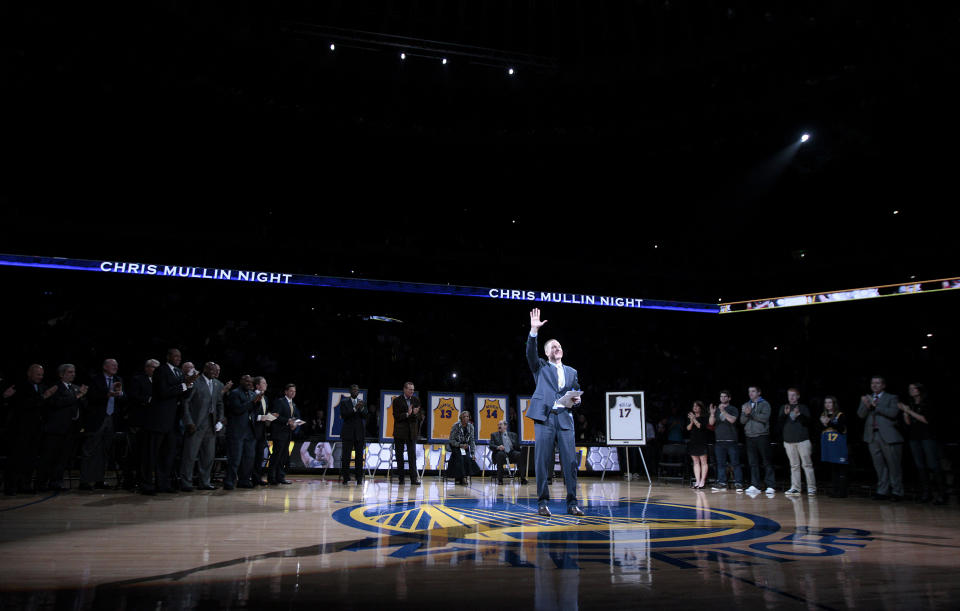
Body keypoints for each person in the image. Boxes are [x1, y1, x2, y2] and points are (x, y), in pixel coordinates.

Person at [526, 308, 584, 517]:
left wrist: (577, 400)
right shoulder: (540, 366)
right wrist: (534, 331)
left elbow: (576, 395)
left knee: (570, 462)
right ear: (546, 352)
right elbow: (530, 353)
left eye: (558, 345)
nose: (556, 347)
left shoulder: (572, 372)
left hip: (565, 419)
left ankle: (572, 504)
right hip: (545, 418)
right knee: (543, 461)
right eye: (552, 346)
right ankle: (542, 502)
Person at [142, 349, 195, 494]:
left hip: (172, 420)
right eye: (175, 356)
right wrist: (183, 386)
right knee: (152, 454)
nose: (178, 358)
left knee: (168, 454)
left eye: (180, 356)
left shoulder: (178, 372)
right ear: (168, 357)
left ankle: (163, 484)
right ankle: (147, 484)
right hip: (158, 419)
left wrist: (189, 385)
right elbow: (163, 392)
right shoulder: (161, 370)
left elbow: (183, 395)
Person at [39, 364, 87, 491]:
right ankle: (41, 483)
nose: (73, 374)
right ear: (61, 374)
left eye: (74, 372)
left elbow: (83, 405)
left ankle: (56, 482)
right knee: (49, 457)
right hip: (56, 429)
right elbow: (57, 403)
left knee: (63, 458)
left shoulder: (76, 388)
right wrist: (77, 396)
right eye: (70, 372)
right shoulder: (55, 387)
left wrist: (82, 397)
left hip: (71, 429)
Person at [79, 358, 124, 490]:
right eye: (112, 365)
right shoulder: (94, 379)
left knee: (105, 451)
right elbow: (90, 397)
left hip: (112, 419)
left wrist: (120, 394)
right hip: (97, 418)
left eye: (117, 365)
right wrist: (107, 394)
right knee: (90, 450)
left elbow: (124, 398)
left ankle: (100, 479)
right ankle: (85, 481)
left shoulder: (119, 379)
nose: (115, 367)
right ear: (105, 367)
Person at [179, 362, 224, 491]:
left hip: (211, 425)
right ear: (205, 369)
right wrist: (188, 421)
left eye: (216, 371)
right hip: (196, 424)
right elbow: (185, 403)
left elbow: (220, 404)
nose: (214, 373)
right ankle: (186, 483)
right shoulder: (195, 381)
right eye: (212, 370)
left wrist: (220, 420)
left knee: (208, 456)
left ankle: (204, 482)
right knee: (190, 455)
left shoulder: (218, 384)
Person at [3, 364, 48, 495]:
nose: (40, 377)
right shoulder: (21, 386)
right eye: (38, 374)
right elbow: (24, 404)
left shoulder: (41, 387)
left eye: (42, 374)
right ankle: (11, 486)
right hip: (20, 429)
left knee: (31, 458)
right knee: (16, 459)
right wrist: (43, 397)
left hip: (36, 429)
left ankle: (25, 484)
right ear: (29, 373)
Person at [858, 376, 904, 501]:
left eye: (877, 383)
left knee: (893, 465)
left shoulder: (891, 397)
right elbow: (861, 415)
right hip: (872, 435)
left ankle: (897, 491)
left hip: (888, 436)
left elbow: (893, 413)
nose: (874, 385)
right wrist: (866, 405)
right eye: (872, 383)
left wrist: (875, 406)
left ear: (883, 385)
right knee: (879, 465)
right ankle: (882, 491)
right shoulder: (868, 398)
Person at [898, 383, 945, 504]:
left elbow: (925, 419)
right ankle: (926, 493)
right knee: (920, 466)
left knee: (933, 465)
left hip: (927, 437)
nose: (911, 391)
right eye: (909, 389)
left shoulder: (927, 403)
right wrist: (905, 412)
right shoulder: (911, 404)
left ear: (920, 390)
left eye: (913, 388)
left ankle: (941, 494)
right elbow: (908, 424)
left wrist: (909, 411)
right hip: (914, 437)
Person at [123, 358, 157, 491]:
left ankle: (142, 479)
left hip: (151, 423)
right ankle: (129, 481)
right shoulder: (138, 379)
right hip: (137, 422)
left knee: (146, 454)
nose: (155, 370)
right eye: (153, 367)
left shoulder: (158, 381)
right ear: (147, 368)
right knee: (133, 453)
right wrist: (149, 399)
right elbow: (133, 396)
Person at [224, 374, 258, 489]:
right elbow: (237, 409)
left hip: (250, 430)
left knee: (249, 458)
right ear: (241, 381)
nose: (249, 383)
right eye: (247, 381)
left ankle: (244, 480)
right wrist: (252, 403)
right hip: (237, 431)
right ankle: (229, 481)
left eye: (250, 382)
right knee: (235, 458)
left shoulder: (253, 394)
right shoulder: (235, 393)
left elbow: (254, 411)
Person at [780, 388, 816, 496]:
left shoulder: (803, 407)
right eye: (789, 395)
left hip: (802, 440)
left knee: (807, 464)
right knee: (794, 465)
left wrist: (799, 414)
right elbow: (779, 424)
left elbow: (808, 423)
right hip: (789, 441)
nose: (791, 397)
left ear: (798, 396)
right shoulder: (784, 407)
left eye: (793, 395)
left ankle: (811, 487)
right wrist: (784, 414)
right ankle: (795, 487)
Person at [740, 385, 775, 495]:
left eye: (753, 391)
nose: (751, 393)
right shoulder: (746, 405)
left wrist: (751, 413)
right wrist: (746, 414)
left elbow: (764, 418)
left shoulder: (764, 404)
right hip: (750, 436)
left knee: (766, 461)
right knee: (752, 462)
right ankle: (755, 485)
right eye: (749, 391)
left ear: (759, 392)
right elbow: (742, 420)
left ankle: (770, 485)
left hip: (762, 435)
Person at [710, 390, 743, 492]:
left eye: (725, 397)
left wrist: (723, 411)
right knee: (720, 464)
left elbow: (732, 420)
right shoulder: (717, 410)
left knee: (735, 463)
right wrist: (712, 413)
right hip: (719, 440)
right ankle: (722, 483)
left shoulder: (733, 409)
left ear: (729, 398)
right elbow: (711, 423)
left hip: (731, 440)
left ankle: (738, 483)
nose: (723, 398)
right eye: (721, 397)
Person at [391, 381, 423, 485]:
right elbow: (396, 417)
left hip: (412, 433)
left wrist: (414, 414)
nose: (412, 391)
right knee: (399, 456)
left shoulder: (416, 400)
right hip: (400, 432)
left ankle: (414, 479)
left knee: (412, 456)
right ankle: (401, 479)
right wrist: (407, 414)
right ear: (404, 389)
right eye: (410, 389)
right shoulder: (397, 401)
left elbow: (419, 417)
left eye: (413, 389)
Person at [269, 383, 299, 485]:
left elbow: (295, 417)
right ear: (286, 392)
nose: (293, 393)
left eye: (294, 391)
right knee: (276, 455)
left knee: (284, 456)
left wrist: (294, 423)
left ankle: (280, 477)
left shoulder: (293, 404)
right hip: (279, 433)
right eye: (291, 391)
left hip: (287, 434)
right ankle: (271, 477)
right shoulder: (280, 402)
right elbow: (274, 416)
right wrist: (287, 421)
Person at [818, 396, 848, 498]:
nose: (828, 405)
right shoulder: (823, 415)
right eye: (826, 403)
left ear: (834, 404)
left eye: (830, 402)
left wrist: (829, 422)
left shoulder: (840, 415)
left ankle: (842, 491)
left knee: (841, 469)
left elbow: (841, 428)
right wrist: (823, 424)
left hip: (839, 446)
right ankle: (835, 490)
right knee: (833, 469)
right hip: (829, 446)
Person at [338, 384, 367, 485]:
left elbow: (365, 415)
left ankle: (359, 478)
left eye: (357, 390)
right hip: (348, 433)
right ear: (350, 391)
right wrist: (355, 408)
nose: (356, 391)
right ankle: (346, 478)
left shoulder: (362, 403)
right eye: (354, 390)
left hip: (359, 434)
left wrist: (362, 408)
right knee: (346, 457)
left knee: (359, 457)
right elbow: (344, 415)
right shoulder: (344, 402)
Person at [250, 376, 276, 486]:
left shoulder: (265, 398)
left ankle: (257, 478)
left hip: (262, 431)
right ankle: (248, 478)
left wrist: (270, 417)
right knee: (251, 456)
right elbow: (250, 412)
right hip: (252, 430)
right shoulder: (252, 395)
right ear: (257, 385)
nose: (266, 385)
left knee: (260, 456)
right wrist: (261, 417)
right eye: (264, 383)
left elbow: (263, 413)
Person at [490, 419, 528, 484]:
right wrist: (498, 447)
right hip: (501, 453)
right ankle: (500, 480)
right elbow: (491, 445)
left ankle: (522, 478)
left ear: (505, 426)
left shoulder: (513, 435)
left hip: (511, 452)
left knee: (520, 454)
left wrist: (510, 442)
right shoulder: (494, 435)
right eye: (498, 424)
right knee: (500, 455)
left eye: (500, 424)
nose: (499, 426)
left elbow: (517, 446)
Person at [447, 410, 478, 485]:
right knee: (460, 457)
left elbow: (472, 440)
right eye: (464, 417)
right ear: (461, 418)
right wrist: (460, 445)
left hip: (465, 446)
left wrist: (473, 453)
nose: (466, 418)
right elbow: (451, 440)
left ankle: (463, 477)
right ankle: (462, 477)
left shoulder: (471, 427)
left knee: (467, 458)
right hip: (456, 446)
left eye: (467, 416)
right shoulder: (456, 426)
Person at [686, 400, 709, 489]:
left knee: (703, 461)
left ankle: (703, 480)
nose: (694, 408)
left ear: (700, 407)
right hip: (693, 441)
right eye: (693, 406)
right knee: (695, 462)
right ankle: (697, 481)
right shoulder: (691, 417)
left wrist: (694, 419)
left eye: (697, 406)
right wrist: (691, 421)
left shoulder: (704, 417)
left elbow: (701, 427)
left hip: (702, 441)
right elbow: (688, 428)